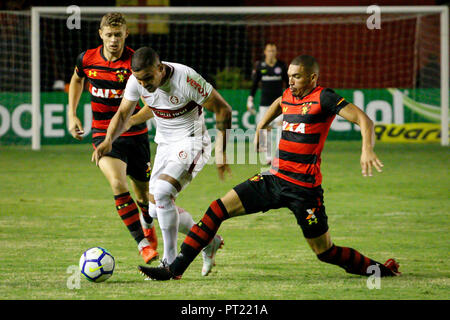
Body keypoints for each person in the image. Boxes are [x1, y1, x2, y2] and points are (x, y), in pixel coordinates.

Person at [138, 55, 401, 281]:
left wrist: (367, 148)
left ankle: (381, 270)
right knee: (217, 209)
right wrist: (262, 125)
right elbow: (279, 102)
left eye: (297, 77)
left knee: (325, 252)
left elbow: (364, 120)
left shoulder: (325, 97)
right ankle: (174, 269)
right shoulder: (289, 94)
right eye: (289, 76)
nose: (291, 82)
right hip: (274, 179)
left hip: (304, 191)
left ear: (313, 77)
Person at [68, 14, 209, 272]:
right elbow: (77, 79)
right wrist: (72, 113)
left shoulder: (137, 65)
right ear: (100, 34)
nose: (113, 40)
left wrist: (131, 121)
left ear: (126, 34)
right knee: (117, 183)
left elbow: (151, 105)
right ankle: (144, 243)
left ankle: (159, 225)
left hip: (137, 138)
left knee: (149, 201)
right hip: (105, 134)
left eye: (118, 35)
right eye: (109, 35)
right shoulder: (87, 59)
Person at [92, 46, 233, 276]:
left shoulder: (186, 78)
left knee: (164, 191)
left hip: (192, 142)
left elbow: (223, 109)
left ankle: (169, 263)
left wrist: (222, 151)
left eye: (148, 78)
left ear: (160, 68)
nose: (144, 84)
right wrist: (109, 140)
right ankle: (208, 240)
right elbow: (123, 113)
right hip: (165, 145)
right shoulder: (136, 81)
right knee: (155, 209)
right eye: (140, 79)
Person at [247, 43, 288, 165]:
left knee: (281, 128)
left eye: (273, 51)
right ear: (265, 52)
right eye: (269, 51)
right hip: (265, 104)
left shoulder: (281, 65)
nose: (271, 53)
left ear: (276, 52)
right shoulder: (260, 66)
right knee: (267, 130)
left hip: (280, 104)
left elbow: (288, 83)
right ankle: (269, 157)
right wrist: (250, 99)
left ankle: (278, 155)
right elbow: (254, 84)